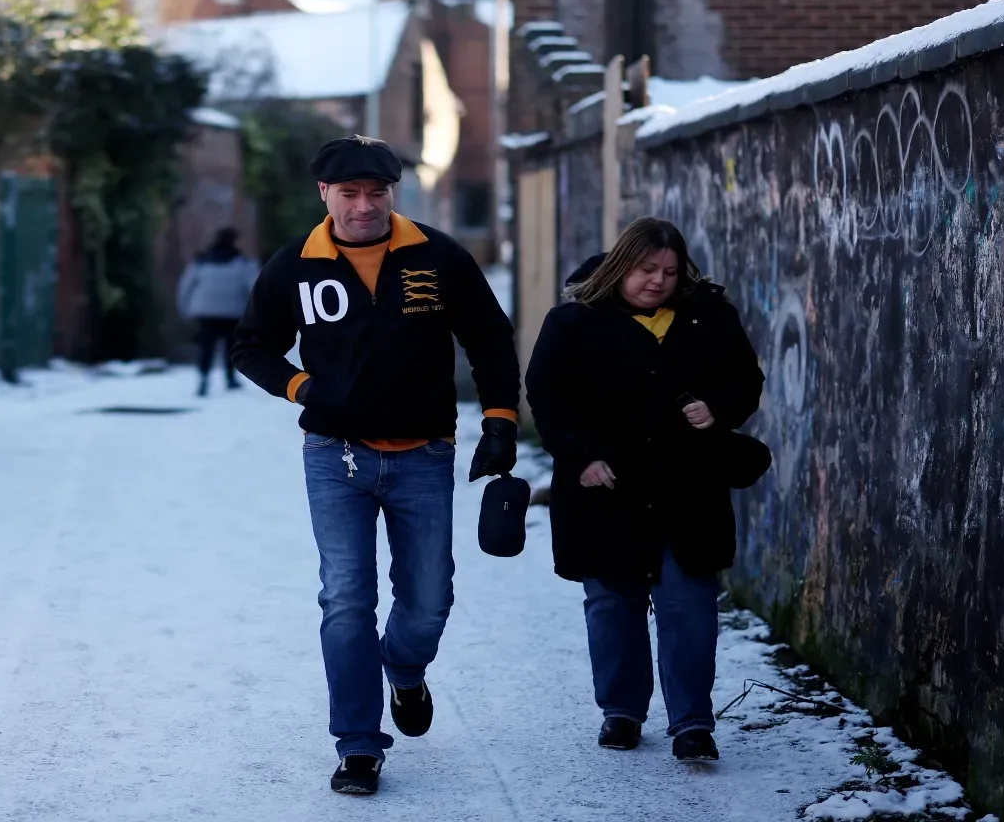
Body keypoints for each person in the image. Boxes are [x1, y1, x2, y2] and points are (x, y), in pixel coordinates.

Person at [232, 135, 522, 796]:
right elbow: (251, 346)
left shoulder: (437, 255)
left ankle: (405, 668)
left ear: (392, 192)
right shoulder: (295, 266)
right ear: (324, 195)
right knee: (346, 599)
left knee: (428, 601)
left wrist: (501, 421)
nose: (364, 206)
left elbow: (489, 337)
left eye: (376, 193)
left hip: (424, 454)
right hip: (333, 458)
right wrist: (302, 388)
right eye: (350, 194)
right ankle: (359, 744)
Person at [523, 217, 764, 763]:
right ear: (620, 266)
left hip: (689, 487)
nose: (658, 281)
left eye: (670, 271)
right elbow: (548, 396)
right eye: (646, 269)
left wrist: (719, 409)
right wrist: (581, 458)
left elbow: (746, 381)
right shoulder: (574, 323)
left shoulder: (710, 317)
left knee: (690, 604)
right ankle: (622, 712)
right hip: (606, 487)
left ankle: (693, 723)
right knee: (612, 604)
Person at [177, 227, 259, 396]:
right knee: (232, 346)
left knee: (206, 346)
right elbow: (254, 287)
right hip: (232, 311)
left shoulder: (200, 261)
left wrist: (185, 308)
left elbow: (185, 287)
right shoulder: (242, 263)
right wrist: (254, 312)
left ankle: (203, 379)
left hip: (205, 311)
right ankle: (230, 378)